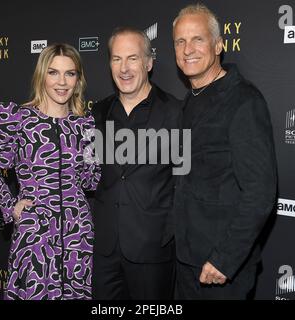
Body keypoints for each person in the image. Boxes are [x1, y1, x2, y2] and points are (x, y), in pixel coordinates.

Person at [0, 43, 100, 300]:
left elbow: (90, 180)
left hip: (77, 232)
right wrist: (10, 205)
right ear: (41, 75)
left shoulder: (85, 125)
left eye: (70, 73)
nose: (62, 82)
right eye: (53, 72)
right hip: (36, 234)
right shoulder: (18, 119)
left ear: (78, 80)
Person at [172, 4, 277, 299]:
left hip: (220, 268)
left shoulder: (244, 101)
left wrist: (224, 259)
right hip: (187, 262)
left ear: (218, 44)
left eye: (198, 39)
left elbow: (261, 191)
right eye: (180, 41)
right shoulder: (191, 100)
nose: (188, 49)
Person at [91, 27, 181, 300]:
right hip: (104, 252)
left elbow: (185, 181)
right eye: (117, 59)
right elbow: (84, 174)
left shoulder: (175, 113)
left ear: (149, 62)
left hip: (152, 252)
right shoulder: (97, 113)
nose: (124, 68)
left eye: (132, 58)